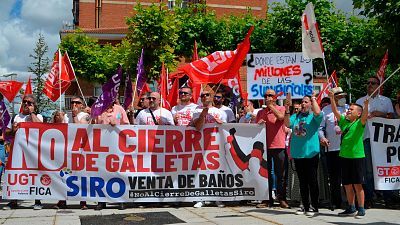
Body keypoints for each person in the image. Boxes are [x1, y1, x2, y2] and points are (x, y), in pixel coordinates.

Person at [355, 76, 395, 208]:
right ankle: (370, 198)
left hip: (383, 141)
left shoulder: (386, 100)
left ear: (379, 85)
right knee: (368, 171)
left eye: (373, 83)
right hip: (366, 139)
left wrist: (380, 114)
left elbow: (392, 117)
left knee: (384, 168)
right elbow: (355, 119)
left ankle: (388, 198)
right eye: (368, 82)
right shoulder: (360, 101)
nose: (370, 85)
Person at [329, 89, 369, 218]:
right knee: (347, 184)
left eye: (351, 110)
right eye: (349, 109)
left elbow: (364, 117)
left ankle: (361, 208)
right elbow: (335, 111)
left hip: (357, 157)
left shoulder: (359, 123)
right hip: (344, 156)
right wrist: (331, 98)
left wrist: (366, 106)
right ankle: (351, 207)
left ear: (358, 114)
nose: (348, 110)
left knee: (358, 184)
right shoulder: (344, 122)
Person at [284, 92, 322, 217]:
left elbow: (317, 112)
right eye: (302, 102)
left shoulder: (314, 116)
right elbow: (287, 123)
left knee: (312, 181)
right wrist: (287, 108)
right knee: (302, 181)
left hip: (311, 153)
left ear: (311, 104)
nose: (303, 104)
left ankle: (314, 206)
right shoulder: (296, 116)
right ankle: (304, 205)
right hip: (298, 153)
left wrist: (313, 98)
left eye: (306, 102)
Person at [4, 94, 44, 210]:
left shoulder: (38, 116)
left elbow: (40, 128)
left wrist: (32, 113)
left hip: (33, 152)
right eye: (24, 102)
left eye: (29, 103)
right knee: (16, 175)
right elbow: (6, 133)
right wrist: (13, 130)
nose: (26, 104)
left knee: (35, 175)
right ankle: (13, 200)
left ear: (34, 106)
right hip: (18, 152)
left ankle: (37, 201)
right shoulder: (16, 117)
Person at [192, 90, 226, 208]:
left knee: (217, 172)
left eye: (207, 95)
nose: (205, 97)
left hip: (216, 145)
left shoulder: (219, 112)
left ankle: (217, 198)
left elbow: (225, 129)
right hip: (201, 145)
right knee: (202, 171)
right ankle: (202, 198)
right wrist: (203, 114)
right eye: (202, 95)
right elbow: (197, 127)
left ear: (211, 97)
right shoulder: (196, 110)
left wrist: (221, 123)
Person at [256, 89, 289, 209]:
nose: (268, 97)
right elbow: (256, 128)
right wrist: (259, 123)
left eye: (270, 95)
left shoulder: (280, 108)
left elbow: (281, 118)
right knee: (266, 174)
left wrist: (271, 107)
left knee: (281, 174)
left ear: (275, 97)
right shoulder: (260, 112)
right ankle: (267, 199)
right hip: (265, 146)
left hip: (278, 145)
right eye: (266, 95)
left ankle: (282, 198)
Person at [95, 100, 129, 210]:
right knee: (102, 173)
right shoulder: (99, 109)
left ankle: (121, 200)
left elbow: (127, 125)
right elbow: (94, 125)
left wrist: (117, 126)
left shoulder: (119, 109)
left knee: (118, 173)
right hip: (102, 147)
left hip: (117, 146)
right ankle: (101, 201)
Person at [319, 87, 349, 209]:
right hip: (332, 148)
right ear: (334, 97)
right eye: (339, 96)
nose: (342, 98)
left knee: (347, 176)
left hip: (347, 148)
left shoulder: (348, 108)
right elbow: (320, 128)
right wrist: (322, 138)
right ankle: (336, 201)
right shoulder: (325, 110)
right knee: (334, 177)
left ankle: (349, 201)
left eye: (343, 96)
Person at [69, 96, 90, 210]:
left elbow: (80, 128)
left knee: (82, 175)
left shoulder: (85, 115)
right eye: (73, 102)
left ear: (82, 105)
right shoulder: (67, 115)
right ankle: (62, 200)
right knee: (66, 173)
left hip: (82, 149)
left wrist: (74, 115)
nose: (74, 104)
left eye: (77, 102)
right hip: (69, 148)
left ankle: (83, 201)